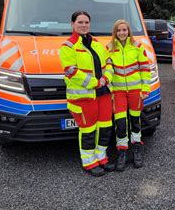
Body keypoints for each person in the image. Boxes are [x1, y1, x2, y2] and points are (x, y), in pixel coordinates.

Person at [59, 11, 115, 177]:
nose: (83, 25)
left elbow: (109, 62)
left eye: (86, 22)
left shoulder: (97, 44)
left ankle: (101, 157)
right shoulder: (68, 46)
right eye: (80, 22)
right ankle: (89, 162)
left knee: (105, 128)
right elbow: (71, 71)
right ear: (73, 24)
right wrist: (95, 82)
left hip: (103, 94)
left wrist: (106, 78)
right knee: (88, 130)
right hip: (84, 97)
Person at [107, 19, 151, 171]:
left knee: (135, 122)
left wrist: (145, 89)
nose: (122, 33)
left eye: (124, 30)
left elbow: (145, 69)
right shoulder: (109, 48)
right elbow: (107, 71)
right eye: (119, 30)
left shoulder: (138, 47)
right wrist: (111, 90)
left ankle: (137, 149)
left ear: (128, 31)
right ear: (115, 32)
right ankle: (122, 152)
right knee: (120, 124)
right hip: (118, 92)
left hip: (135, 91)